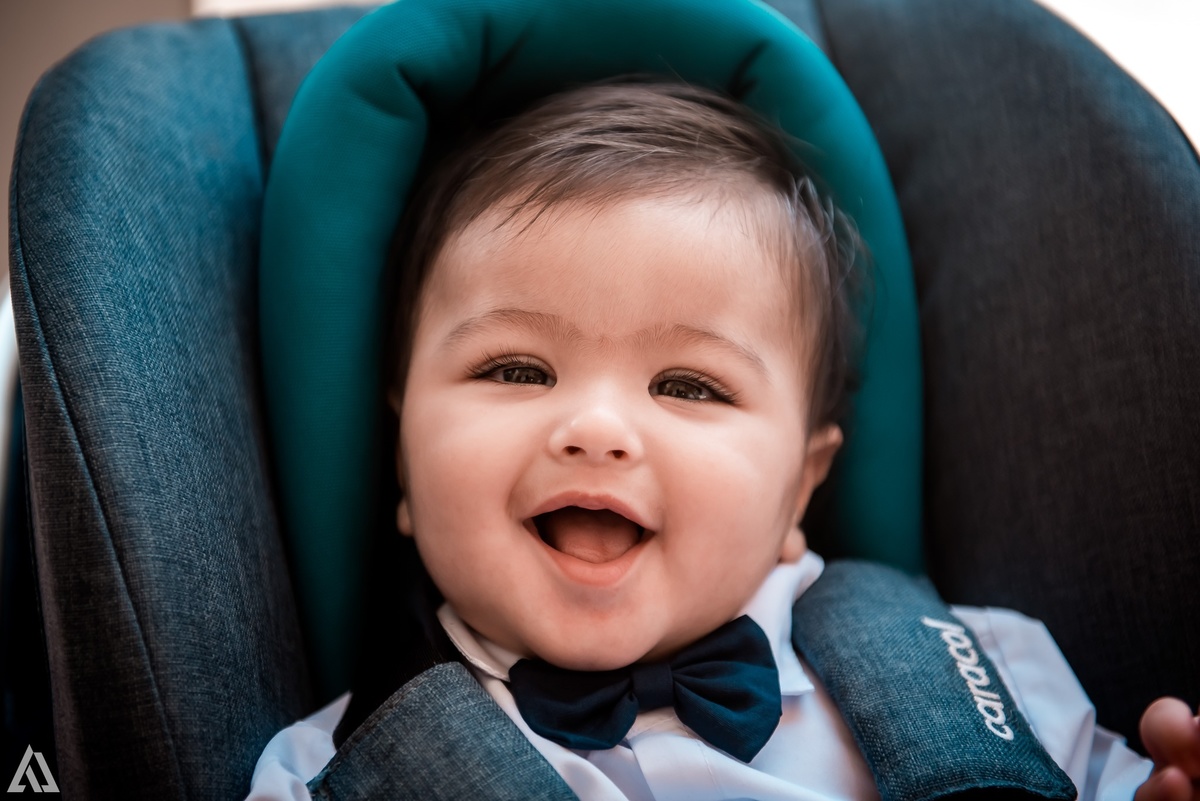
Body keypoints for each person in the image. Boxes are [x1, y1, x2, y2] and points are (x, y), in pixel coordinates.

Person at [248, 80, 1199, 801]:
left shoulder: (991, 676)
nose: (595, 430)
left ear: (798, 492)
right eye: (515, 369)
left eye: (688, 384)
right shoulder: (323, 773)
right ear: (403, 470)